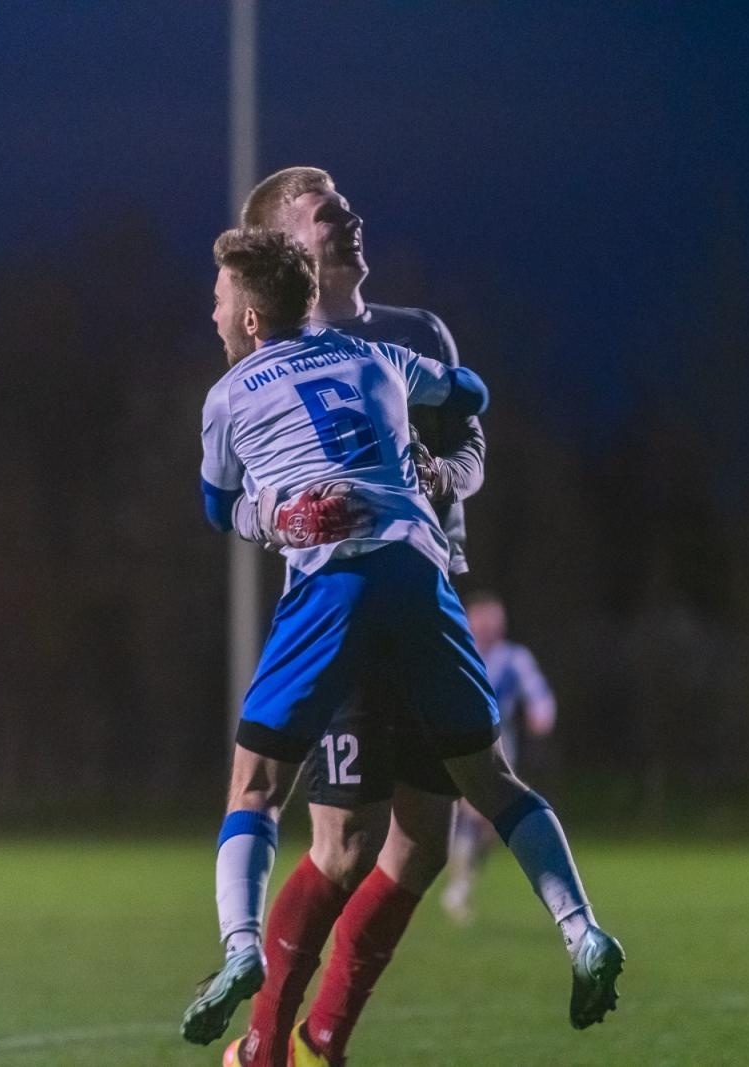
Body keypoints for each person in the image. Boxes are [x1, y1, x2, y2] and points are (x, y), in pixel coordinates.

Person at [184, 228, 623, 1058]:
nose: (211, 309)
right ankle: (582, 931)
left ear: (248, 318)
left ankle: (241, 947)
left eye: (217, 297)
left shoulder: (230, 395)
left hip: (334, 581)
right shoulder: (375, 358)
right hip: (420, 574)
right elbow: (473, 393)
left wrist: (277, 515)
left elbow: (217, 508)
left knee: (254, 786)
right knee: (490, 781)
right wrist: (425, 446)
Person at [224, 166, 487, 1067]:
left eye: (348, 203)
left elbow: (470, 440)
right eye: (326, 210)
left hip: (428, 594)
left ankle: (321, 1038)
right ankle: (263, 1049)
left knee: (422, 844)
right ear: (292, 248)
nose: (350, 215)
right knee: (341, 843)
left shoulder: (416, 332)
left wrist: (451, 475)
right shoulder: (273, 362)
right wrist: (294, 513)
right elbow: (254, 496)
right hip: (343, 605)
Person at [442, 591, 558, 925]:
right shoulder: (454, 649)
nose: (489, 626)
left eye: (496, 620)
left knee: (492, 828)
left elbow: (537, 691)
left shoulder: (513, 657)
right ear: (469, 618)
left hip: (501, 746)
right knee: (476, 812)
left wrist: (542, 713)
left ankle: (460, 881)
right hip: (456, 740)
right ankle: (458, 887)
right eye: (483, 618)